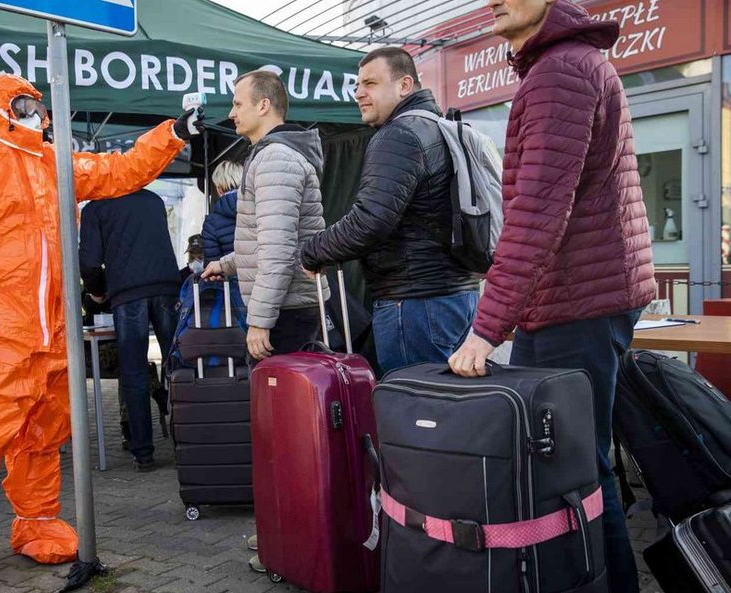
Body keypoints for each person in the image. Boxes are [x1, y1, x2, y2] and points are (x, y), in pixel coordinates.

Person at [0, 73, 196, 593]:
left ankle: (37, 521)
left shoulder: (54, 164)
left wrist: (172, 133)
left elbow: (119, 172)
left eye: (37, 105)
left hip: (53, 336)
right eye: (24, 104)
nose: (36, 113)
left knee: (42, 438)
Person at [447, 3, 656, 592]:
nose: (492, 1)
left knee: (575, 475)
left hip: (577, 304)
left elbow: (537, 213)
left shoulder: (559, 71)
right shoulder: (570, 63)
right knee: (585, 467)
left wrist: (486, 328)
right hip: (583, 298)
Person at [201, 69, 328, 574]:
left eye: (237, 103)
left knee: (286, 438)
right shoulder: (273, 156)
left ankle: (290, 538)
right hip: (288, 310)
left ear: (264, 106)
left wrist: (259, 322)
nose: (230, 112)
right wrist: (229, 263)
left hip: (285, 317)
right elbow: (269, 240)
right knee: (284, 436)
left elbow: (278, 252)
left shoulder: (274, 157)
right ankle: (286, 532)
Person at [300, 47, 479, 374]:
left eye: (370, 84)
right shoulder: (438, 126)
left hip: (414, 302)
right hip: (455, 295)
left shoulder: (399, 135)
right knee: (449, 412)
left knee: (414, 412)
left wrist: (313, 251)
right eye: (357, 86)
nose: (359, 94)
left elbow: (370, 221)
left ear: (404, 85)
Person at [79, 188, 181, 472]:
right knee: (177, 366)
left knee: (134, 372)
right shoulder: (154, 199)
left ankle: (143, 453)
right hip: (166, 286)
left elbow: (89, 263)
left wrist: (97, 292)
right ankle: (186, 440)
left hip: (127, 292)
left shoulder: (96, 208)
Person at [202, 160, 243, 263]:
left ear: (219, 189)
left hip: (235, 277)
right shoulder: (261, 207)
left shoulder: (211, 223)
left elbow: (213, 268)